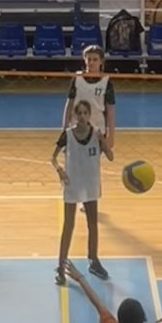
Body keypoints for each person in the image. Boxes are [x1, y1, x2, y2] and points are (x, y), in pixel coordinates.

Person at [51, 98, 113, 285]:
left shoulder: (96, 134)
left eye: (86, 113)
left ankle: (93, 260)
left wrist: (103, 140)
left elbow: (111, 156)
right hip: (72, 183)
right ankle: (61, 266)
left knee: (92, 224)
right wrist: (60, 170)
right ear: (75, 116)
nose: (83, 116)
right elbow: (53, 158)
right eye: (80, 113)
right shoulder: (67, 134)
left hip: (90, 183)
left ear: (89, 115)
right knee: (68, 225)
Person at [64, 44, 117, 149]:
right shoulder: (77, 78)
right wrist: (64, 129)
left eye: (95, 59)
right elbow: (69, 105)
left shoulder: (106, 82)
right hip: (77, 128)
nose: (91, 62)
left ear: (101, 61)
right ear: (84, 60)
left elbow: (110, 110)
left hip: (98, 129)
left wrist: (111, 136)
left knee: (93, 158)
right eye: (89, 59)